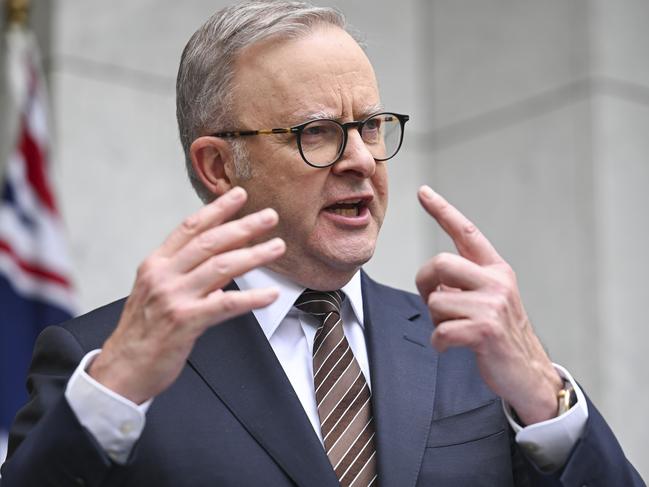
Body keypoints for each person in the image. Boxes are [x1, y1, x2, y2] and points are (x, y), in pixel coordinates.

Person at [1, 1, 644, 486]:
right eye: (318, 133)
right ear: (219, 167)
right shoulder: (103, 362)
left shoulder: (472, 347)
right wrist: (111, 392)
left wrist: (546, 401)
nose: (362, 159)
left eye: (369, 125)